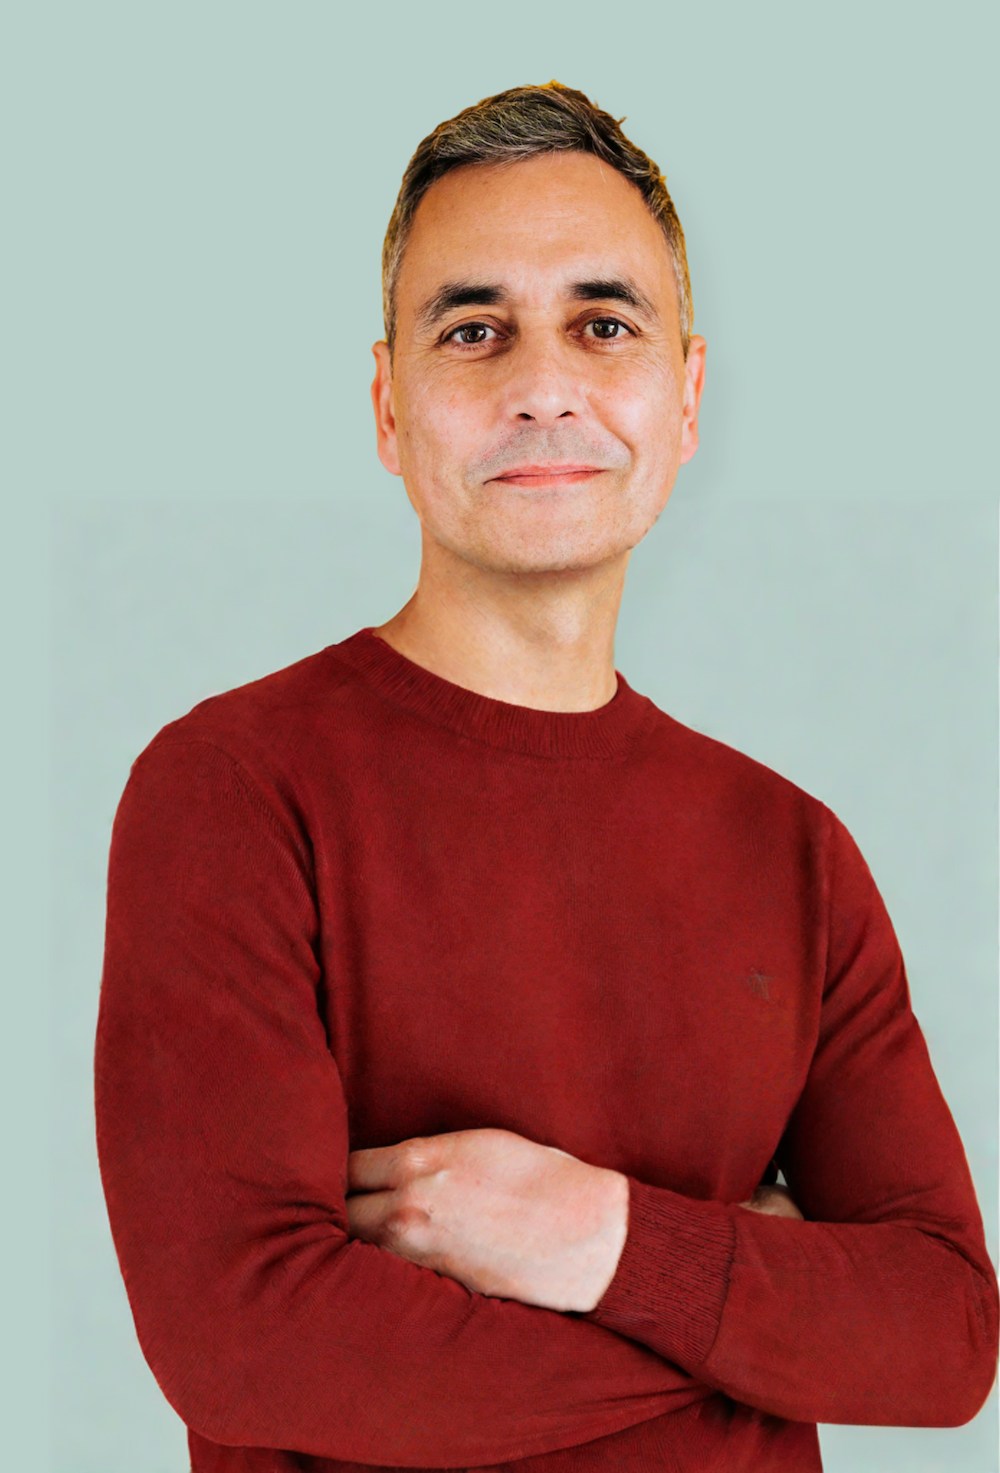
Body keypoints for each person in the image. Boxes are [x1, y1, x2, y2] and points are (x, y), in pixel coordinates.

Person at [94, 82, 998, 1473]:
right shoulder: (232, 789)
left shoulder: (794, 850)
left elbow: (943, 1337)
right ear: (389, 407)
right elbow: (243, 1335)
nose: (542, 385)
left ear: (685, 396)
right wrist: (750, 1325)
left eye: (604, 324)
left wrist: (603, 1241)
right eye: (474, 330)